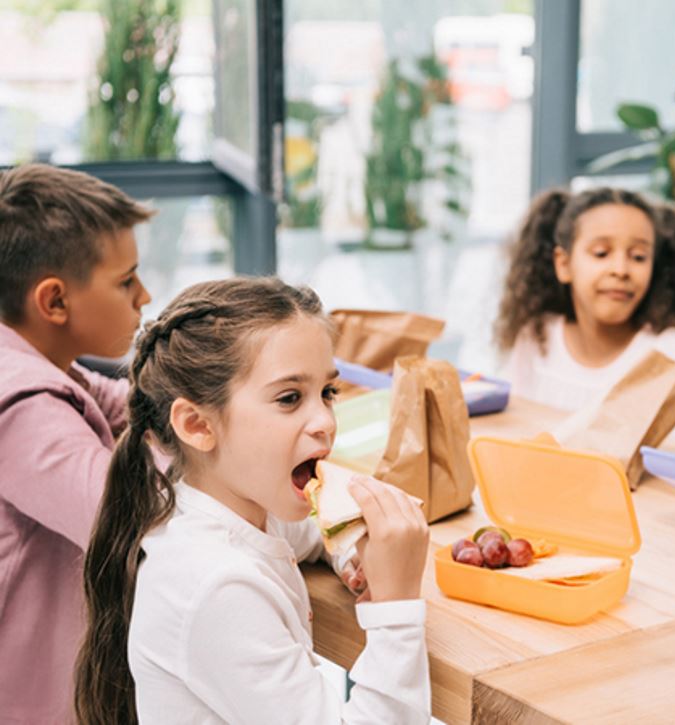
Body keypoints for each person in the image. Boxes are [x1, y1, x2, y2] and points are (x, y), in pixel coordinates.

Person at [74, 277, 432, 724]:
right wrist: (396, 607)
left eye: (327, 393)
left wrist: (349, 554)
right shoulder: (217, 587)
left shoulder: (234, 505)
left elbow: (300, 532)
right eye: (289, 398)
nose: (324, 421)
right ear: (198, 425)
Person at [0, 163, 153, 723]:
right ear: (55, 302)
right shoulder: (20, 405)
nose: (145, 295)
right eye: (125, 281)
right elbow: (128, 513)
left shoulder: (45, 368)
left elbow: (137, 409)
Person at [495, 186, 675, 440]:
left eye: (638, 257)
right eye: (601, 253)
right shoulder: (538, 337)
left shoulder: (673, 355)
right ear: (564, 264)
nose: (620, 269)